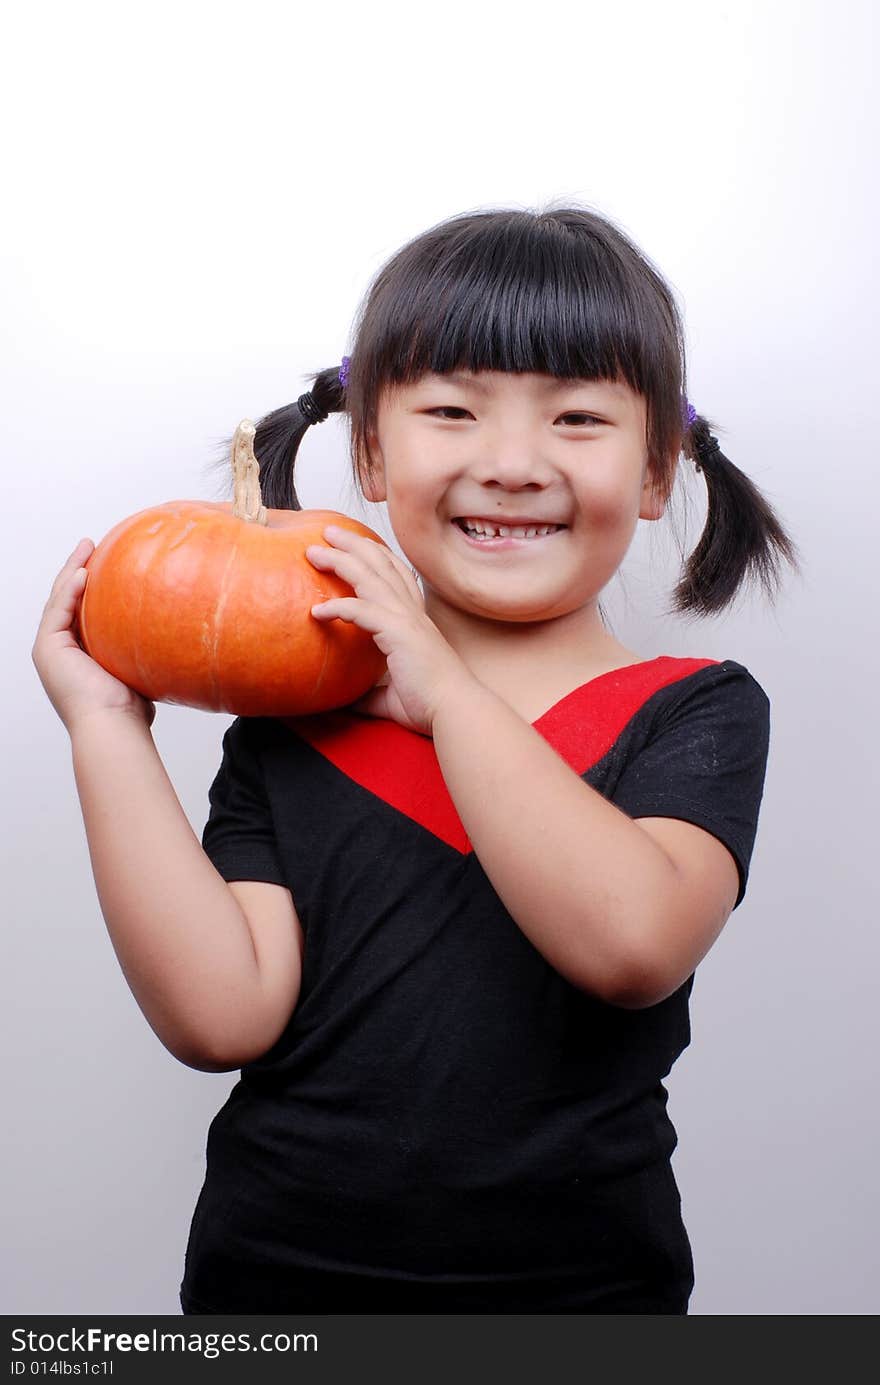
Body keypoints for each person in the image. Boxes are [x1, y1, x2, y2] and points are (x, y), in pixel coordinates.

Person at [32, 204, 801, 1315]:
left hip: (584, 1298)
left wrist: (444, 693)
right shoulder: (290, 728)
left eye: (578, 417)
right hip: (274, 1293)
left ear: (654, 471)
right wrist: (106, 725)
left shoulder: (692, 713)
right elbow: (219, 1017)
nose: (511, 463)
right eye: (451, 409)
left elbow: (632, 943)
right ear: (373, 455)